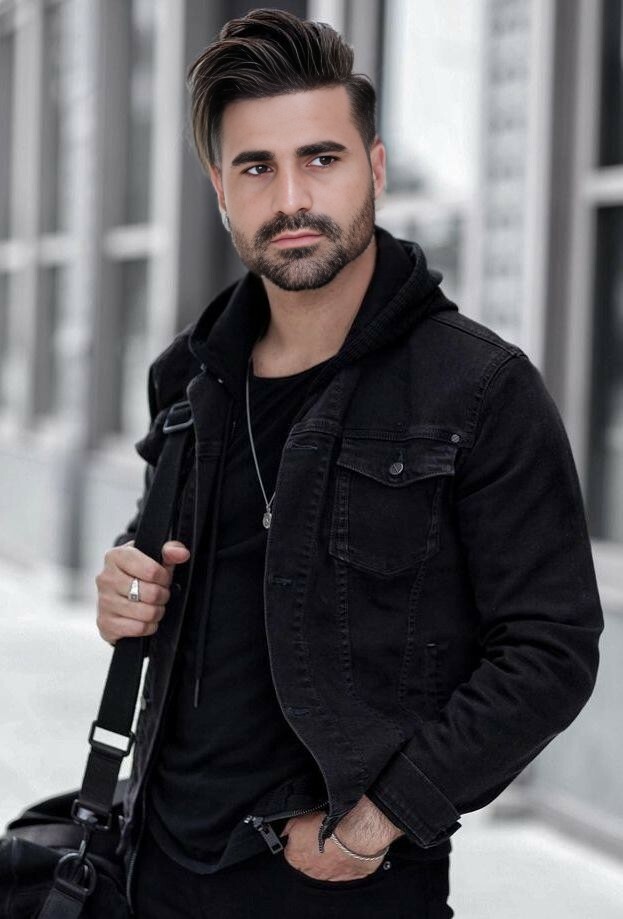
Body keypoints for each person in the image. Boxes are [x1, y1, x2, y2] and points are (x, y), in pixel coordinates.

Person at [94, 9, 604, 918]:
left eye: (320, 158)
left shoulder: (477, 389)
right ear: (220, 188)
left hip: (341, 890)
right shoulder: (188, 378)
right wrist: (127, 591)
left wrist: (373, 826)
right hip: (155, 872)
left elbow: (549, 650)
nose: (291, 197)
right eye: (256, 167)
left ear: (374, 166)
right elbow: (160, 569)